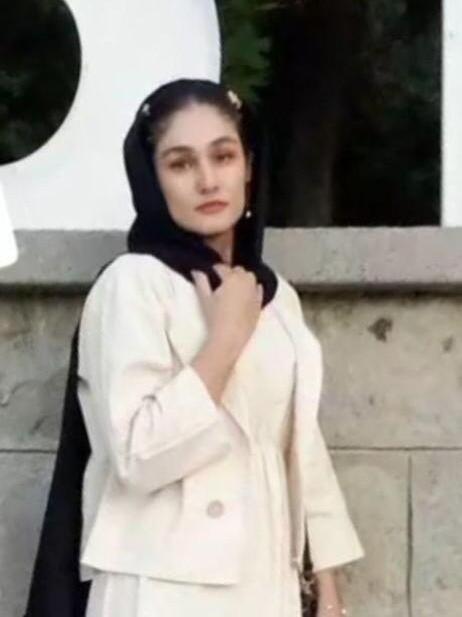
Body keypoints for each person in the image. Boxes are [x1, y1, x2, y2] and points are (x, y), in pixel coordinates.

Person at [24, 79, 364, 617]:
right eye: (180, 164)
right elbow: (136, 455)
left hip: (266, 579)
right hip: (161, 584)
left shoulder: (274, 296)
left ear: (248, 166)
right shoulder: (133, 284)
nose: (208, 180)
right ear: (152, 179)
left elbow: (298, 443)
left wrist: (327, 581)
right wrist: (223, 342)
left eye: (223, 156)